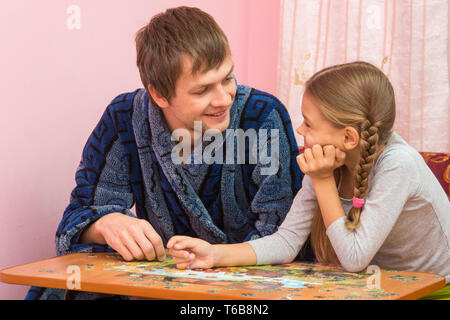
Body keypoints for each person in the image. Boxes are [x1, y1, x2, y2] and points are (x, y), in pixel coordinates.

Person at [25, 6, 310, 300]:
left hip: (246, 280)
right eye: (202, 90)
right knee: (57, 291)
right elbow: (75, 222)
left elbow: (284, 236)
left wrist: (214, 259)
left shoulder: (262, 115)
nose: (224, 98)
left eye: (227, 78)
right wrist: (105, 224)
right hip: (161, 282)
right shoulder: (125, 118)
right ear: (159, 95)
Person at [168, 61, 450, 299]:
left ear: (349, 137)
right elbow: (287, 241)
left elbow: (354, 258)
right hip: (380, 287)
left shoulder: (398, 164)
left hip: (435, 289)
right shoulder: (328, 159)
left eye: (309, 123)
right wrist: (214, 255)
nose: (300, 129)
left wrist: (323, 179)